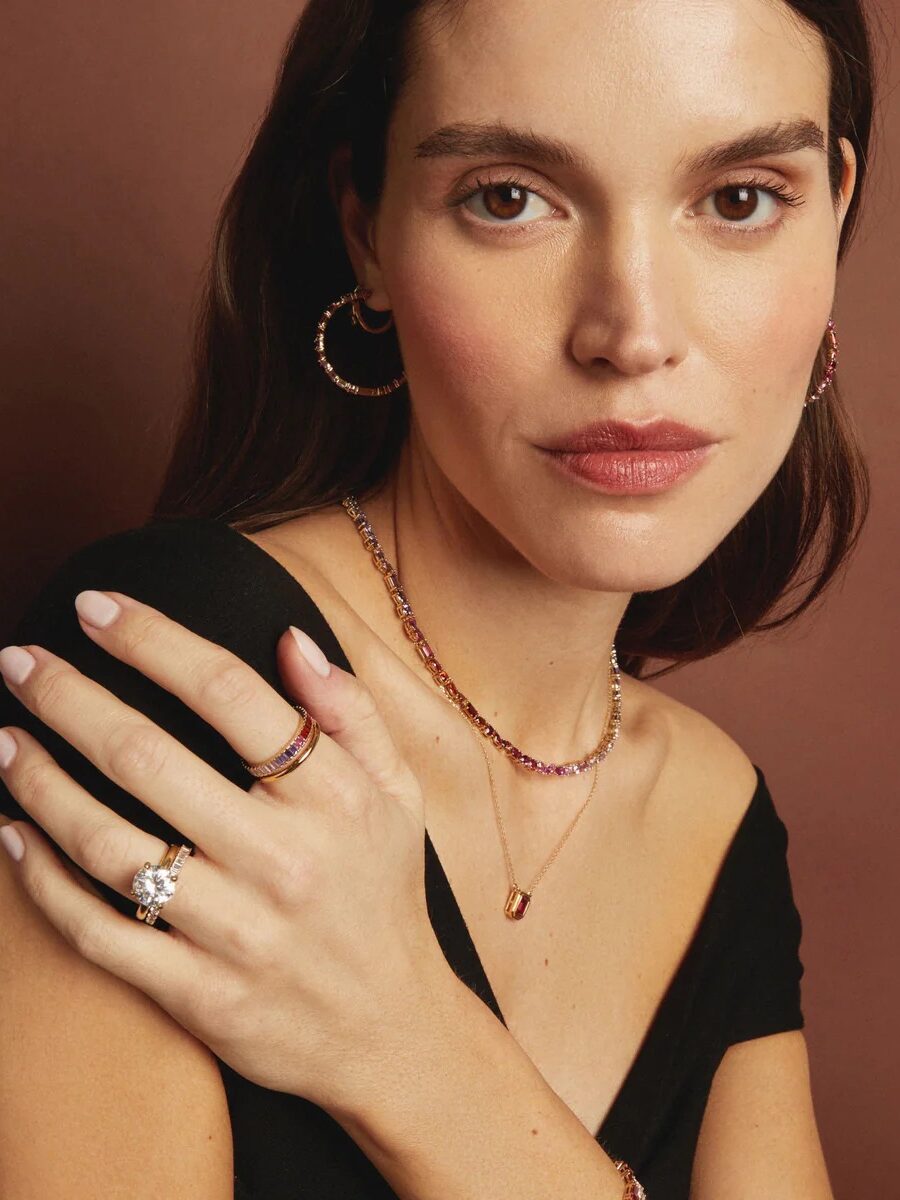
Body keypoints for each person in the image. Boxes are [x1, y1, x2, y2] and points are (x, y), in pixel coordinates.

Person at [0, 0, 876, 1196]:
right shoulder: (184, 675)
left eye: (738, 200)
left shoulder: (715, 809)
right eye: (509, 196)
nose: (635, 331)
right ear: (367, 231)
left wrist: (415, 1049)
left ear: (834, 211)